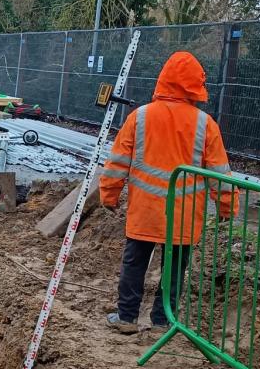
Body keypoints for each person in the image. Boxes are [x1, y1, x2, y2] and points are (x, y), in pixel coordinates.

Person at [99, 51, 238, 335]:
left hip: (145, 213)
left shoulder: (140, 117)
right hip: (183, 216)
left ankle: (126, 317)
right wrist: (226, 207)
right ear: (194, 86)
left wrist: (109, 195)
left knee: (134, 264)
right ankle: (163, 322)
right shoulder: (205, 124)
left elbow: (117, 164)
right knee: (174, 271)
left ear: (163, 80)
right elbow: (221, 173)